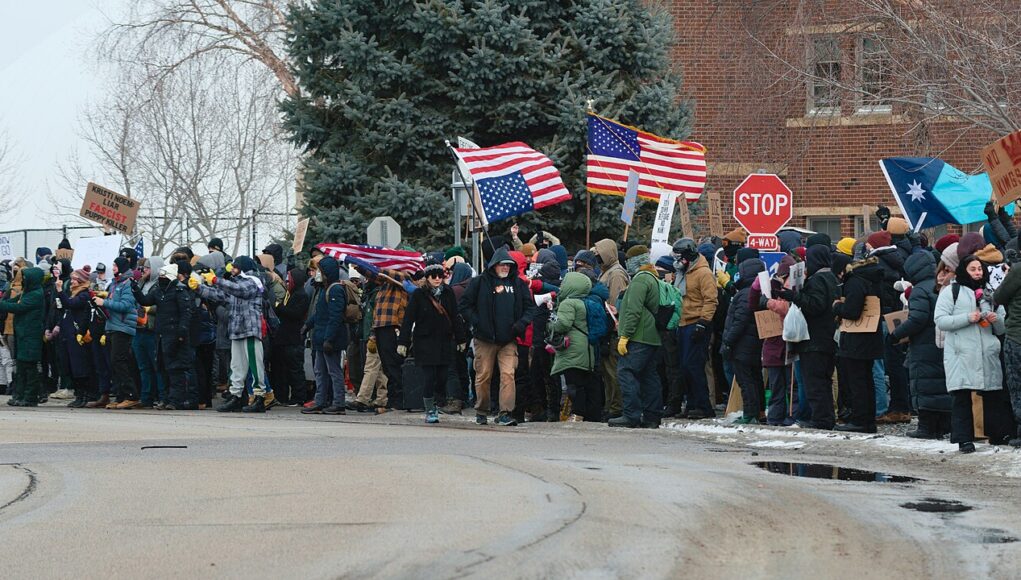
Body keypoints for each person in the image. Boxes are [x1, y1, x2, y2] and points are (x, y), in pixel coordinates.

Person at [935, 255, 1008, 453]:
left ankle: (997, 434)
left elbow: (1002, 329)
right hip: (962, 352)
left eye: (980, 269)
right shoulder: (953, 291)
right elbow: (941, 320)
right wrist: (968, 317)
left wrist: (995, 320)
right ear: (964, 271)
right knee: (962, 395)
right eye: (973, 269)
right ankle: (963, 439)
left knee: (993, 394)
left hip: (987, 351)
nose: (977, 273)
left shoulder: (990, 292)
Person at [459, 247, 536, 426]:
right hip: (484, 339)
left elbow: (529, 308)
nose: (505, 268)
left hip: (509, 339)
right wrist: (477, 322)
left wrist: (520, 325)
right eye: (501, 264)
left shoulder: (518, 284)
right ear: (494, 265)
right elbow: (464, 305)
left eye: (508, 265)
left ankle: (505, 413)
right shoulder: (479, 282)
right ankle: (482, 410)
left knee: (508, 374)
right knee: (484, 375)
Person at [890, 251, 951, 439]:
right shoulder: (939, 286)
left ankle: (926, 427)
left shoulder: (919, 290)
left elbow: (917, 318)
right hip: (941, 343)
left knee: (924, 385)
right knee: (940, 385)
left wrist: (896, 334)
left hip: (924, 345)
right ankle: (941, 425)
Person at [197, 256, 270, 413]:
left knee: (255, 365)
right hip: (237, 330)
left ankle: (259, 397)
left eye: (235, 267)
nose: (232, 270)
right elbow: (220, 295)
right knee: (236, 366)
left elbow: (239, 290)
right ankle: (236, 396)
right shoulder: (237, 283)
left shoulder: (253, 281)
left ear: (243, 268)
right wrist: (199, 287)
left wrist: (216, 279)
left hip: (250, 329)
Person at [398, 263, 466, 423]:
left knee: (442, 376)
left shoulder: (448, 293)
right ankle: (430, 408)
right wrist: (403, 341)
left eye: (439, 276)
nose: (437, 279)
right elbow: (408, 319)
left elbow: (455, 316)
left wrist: (461, 338)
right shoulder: (419, 295)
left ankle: (438, 400)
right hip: (425, 341)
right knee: (429, 376)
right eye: (433, 276)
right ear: (427, 278)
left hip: (444, 341)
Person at [783, 244, 839, 429]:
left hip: (814, 339)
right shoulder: (831, 278)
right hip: (828, 338)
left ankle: (821, 419)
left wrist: (794, 296)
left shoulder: (817, 280)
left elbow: (815, 305)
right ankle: (826, 417)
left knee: (815, 382)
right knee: (823, 380)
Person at [610, 246, 663, 428]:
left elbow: (633, 310)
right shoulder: (653, 277)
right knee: (649, 376)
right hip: (651, 336)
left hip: (639, 336)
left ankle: (631, 414)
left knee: (626, 371)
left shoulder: (640, 280)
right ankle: (652, 416)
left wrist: (625, 335)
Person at [832, 252, 884, 433]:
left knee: (857, 381)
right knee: (866, 379)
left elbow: (852, 311)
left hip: (856, 339)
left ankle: (860, 420)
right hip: (871, 337)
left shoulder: (855, 281)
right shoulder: (874, 278)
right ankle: (868, 420)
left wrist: (837, 306)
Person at [133, 261, 195, 410]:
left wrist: (182, 332)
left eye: (163, 276)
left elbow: (186, 313)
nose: (160, 278)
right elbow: (145, 301)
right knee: (162, 367)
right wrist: (135, 289)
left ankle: (175, 400)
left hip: (175, 335)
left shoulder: (180, 291)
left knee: (176, 369)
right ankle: (166, 398)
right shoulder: (158, 291)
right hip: (161, 335)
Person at [673, 238, 718, 419]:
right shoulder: (683, 272)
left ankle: (704, 406)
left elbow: (711, 300)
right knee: (684, 367)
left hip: (697, 323)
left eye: (680, 256)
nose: (678, 260)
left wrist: (703, 322)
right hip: (683, 323)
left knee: (694, 366)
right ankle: (691, 404)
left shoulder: (703, 273)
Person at [301, 256, 348, 415]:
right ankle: (320, 400)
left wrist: (329, 339)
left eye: (320, 271)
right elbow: (320, 313)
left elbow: (335, 317)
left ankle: (338, 402)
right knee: (319, 371)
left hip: (329, 339)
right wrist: (307, 325)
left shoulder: (335, 289)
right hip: (320, 338)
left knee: (334, 371)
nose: (316, 274)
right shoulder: (322, 289)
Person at [549, 271, 598, 421]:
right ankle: (588, 415)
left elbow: (562, 324)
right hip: (585, 348)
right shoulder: (584, 301)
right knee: (584, 383)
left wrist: (550, 321)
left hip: (572, 349)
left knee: (573, 384)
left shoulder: (568, 303)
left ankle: (577, 414)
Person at [721, 258, 766, 424]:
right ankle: (759, 412)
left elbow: (739, 321)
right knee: (755, 379)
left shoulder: (745, 294)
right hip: (754, 342)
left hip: (742, 344)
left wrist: (728, 341)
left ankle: (750, 413)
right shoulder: (758, 291)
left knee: (745, 381)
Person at [94, 257, 140, 409]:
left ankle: (131, 395)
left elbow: (126, 305)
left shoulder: (127, 283)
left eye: (114, 265)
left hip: (123, 327)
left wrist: (105, 302)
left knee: (119, 361)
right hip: (112, 326)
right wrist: (104, 296)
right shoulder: (115, 283)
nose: (112, 267)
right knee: (113, 363)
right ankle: (120, 396)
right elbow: (115, 300)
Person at [594, 238, 629, 420]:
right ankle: (610, 405)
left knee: (613, 371)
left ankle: (616, 407)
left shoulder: (615, 274)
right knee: (607, 372)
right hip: (607, 327)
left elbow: (615, 303)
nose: (597, 257)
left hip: (613, 329)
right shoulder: (607, 271)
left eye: (599, 254)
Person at [1, 267, 45, 406]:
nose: (23, 280)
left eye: (26, 278)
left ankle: (30, 397)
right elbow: (13, 302)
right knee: (20, 367)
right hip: (23, 334)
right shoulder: (27, 293)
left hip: (31, 335)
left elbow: (18, 307)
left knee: (30, 367)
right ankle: (19, 395)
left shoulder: (36, 294)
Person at [55, 269, 95, 408]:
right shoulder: (73, 293)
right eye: (72, 279)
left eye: (75, 279)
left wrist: (60, 291)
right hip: (68, 334)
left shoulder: (83, 295)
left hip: (77, 334)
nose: (72, 282)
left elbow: (70, 304)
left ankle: (83, 395)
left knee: (79, 366)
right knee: (70, 365)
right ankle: (78, 394)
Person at [273, 267, 310, 406]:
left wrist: (280, 307)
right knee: (286, 369)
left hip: (293, 337)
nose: (287, 282)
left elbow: (296, 314)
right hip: (286, 337)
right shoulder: (291, 294)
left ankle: (298, 397)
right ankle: (284, 396)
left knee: (295, 369)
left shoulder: (301, 295)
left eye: (290, 280)